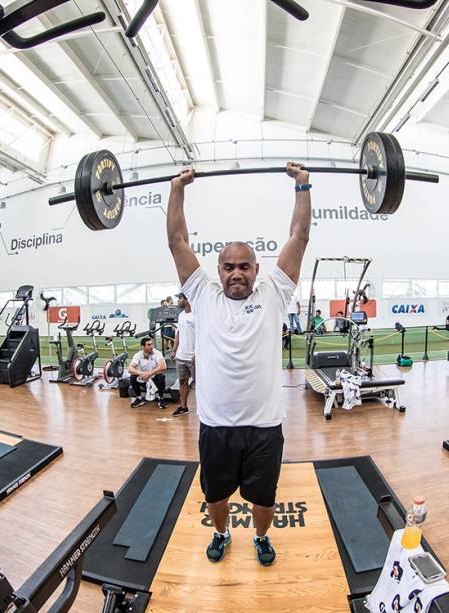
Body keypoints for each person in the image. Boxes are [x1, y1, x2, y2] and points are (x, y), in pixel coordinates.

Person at [166, 160, 310, 567]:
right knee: (216, 496)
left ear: (256, 270)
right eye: (228, 267)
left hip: (265, 427)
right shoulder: (203, 295)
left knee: (264, 498)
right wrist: (178, 188)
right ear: (218, 271)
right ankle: (222, 532)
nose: (236, 274)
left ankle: (261, 538)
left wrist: (302, 186)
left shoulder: (274, 294)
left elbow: (299, 236)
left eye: (244, 266)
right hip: (216, 426)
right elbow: (177, 241)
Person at [170, 293, 195, 418]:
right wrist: (174, 350)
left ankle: (205, 408)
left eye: (179, 298)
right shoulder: (181, 315)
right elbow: (178, 334)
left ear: (186, 299)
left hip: (194, 358)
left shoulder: (197, 314)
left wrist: (197, 353)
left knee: (200, 385)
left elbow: (203, 335)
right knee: (182, 382)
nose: (178, 301)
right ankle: (184, 407)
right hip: (181, 356)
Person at [128, 337, 168, 409]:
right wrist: (140, 373)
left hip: (154, 379)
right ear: (143, 347)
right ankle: (139, 398)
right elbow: (130, 368)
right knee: (132, 377)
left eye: (152, 344)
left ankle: (161, 398)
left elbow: (163, 366)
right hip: (144, 379)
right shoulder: (138, 355)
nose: (151, 346)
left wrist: (150, 374)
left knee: (161, 377)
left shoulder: (157, 353)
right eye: (149, 345)